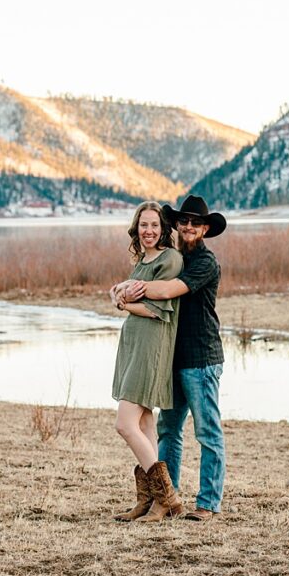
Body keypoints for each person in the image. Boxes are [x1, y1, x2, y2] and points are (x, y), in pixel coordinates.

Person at [117, 195, 226, 522]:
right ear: (177, 225)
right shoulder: (177, 257)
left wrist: (126, 291)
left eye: (196, 223)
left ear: (205, 228)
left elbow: (165, 293)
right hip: (173, 358)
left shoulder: (205, 263)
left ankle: (207, 503)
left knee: (207, 432)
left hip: (202, 358)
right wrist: (124, 290)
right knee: (169, 430)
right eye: (184, 221)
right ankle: (165, 497)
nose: (189, 227)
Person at [108, 201, 185, 523]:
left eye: (154, 225)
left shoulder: (170, 259)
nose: (149, 231)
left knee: (125, 424)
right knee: (144, 424)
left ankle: (168, 498)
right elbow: (131, 296)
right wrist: (120, 295)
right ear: (136, 228)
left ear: (163, 228)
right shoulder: (142, 260)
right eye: (143, 225)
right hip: (134, 343)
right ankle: (150, 501)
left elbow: (160, 311)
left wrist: (124, 302)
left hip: (152, 345)